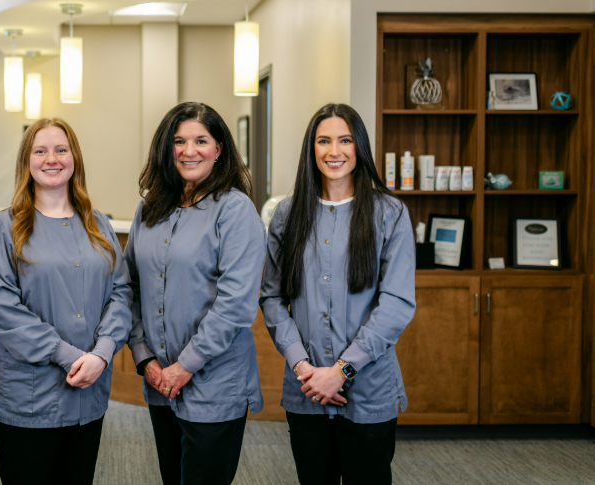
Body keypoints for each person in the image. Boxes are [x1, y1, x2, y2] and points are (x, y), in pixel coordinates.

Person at [260, 103, 416, 485]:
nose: (334, 151)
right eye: (324, 140)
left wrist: (342, 370)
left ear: (359, 146)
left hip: (369, 390)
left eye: (345, 140)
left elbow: (395, 303)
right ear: (311, 149)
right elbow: (272, 298)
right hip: (307, 388)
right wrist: (303, 367)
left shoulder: (389, 213)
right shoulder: (287, 214)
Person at [0, 118, 132, 485]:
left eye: (61, 149)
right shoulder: (5, 226)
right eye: (41, 150)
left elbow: (122, 293)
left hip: (89, 392)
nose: (52, 158)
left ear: (74, 158)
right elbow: (2, 310)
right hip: (29, 399)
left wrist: (102, 352)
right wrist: (71, 356)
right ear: (26, 161)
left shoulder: (98, 224)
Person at [125, 101, 266, 485]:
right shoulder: (150, 208)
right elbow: (130, 286)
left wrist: (183, 366)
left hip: (214, 383)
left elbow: (235, 306)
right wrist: (145, 359)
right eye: (179, 141)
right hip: (159, 380)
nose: (189, 151)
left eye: (201, 140)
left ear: (219, 149)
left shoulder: (236, 211)